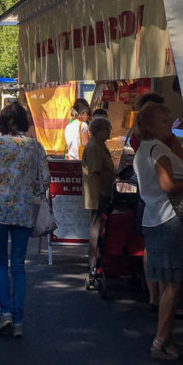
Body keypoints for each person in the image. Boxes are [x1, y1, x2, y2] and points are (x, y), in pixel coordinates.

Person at [0, 102, 49, 338]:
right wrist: (30, 191)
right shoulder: (36, 147)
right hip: (24, 212)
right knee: (18, 265)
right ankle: (18, 321)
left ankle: (5, 312)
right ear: (24, 122)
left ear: (4, 122)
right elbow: (44, 180)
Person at [134, 102, 183, 360]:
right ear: (150, 126)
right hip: (170, 218)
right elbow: (169, 185)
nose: (168, 124)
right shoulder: (158, 149)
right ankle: (160, 341)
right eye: (163, 121)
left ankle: (167, 338)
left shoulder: (143, 150)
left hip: (153, 217)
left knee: (167, 283)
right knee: (172, 285)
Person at [82, 116, 115, 289]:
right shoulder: (94, 147)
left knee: (99, 225)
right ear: (100, 130)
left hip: (100, 192)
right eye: (108, 128)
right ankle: (94, 262)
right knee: (97, 226)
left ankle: (98, 260)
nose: (110, 131)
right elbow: (96, 173)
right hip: (98, 194)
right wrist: (105, 192)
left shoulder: (99, 145)